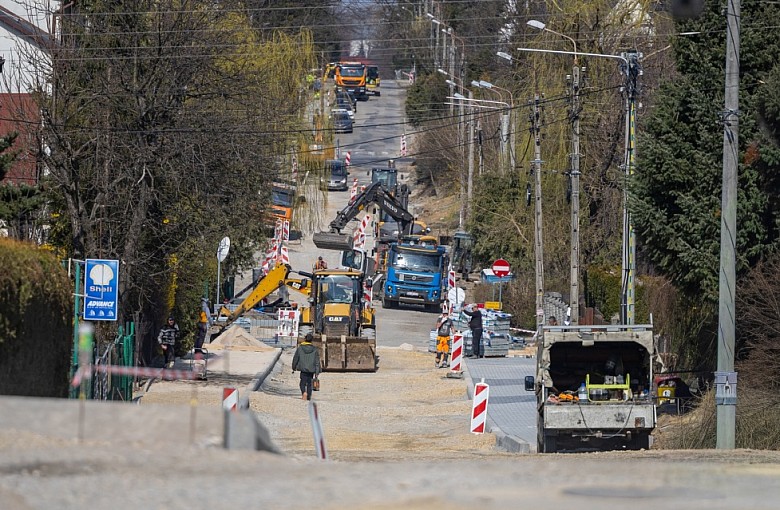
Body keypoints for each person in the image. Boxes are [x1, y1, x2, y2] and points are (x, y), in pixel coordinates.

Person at [292, 333, 321, 401]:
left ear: (305, 339)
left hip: (303, 368)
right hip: (311, 369)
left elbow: (296, 358)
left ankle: (304, 393)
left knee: (302, 382)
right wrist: (317, 371)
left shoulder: (300, 348)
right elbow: (317, 361)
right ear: (311, 340)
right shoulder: (314, 349)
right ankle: (308, 396)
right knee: (310, 384)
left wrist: (294, 367)